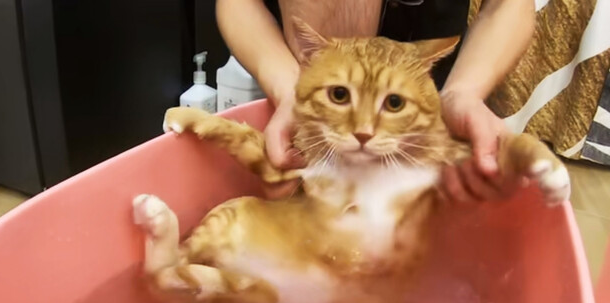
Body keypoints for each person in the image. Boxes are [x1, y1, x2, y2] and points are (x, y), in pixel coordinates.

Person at [215, 0, 536, 201]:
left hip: (419, 90)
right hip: (295, 73)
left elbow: (507, 4)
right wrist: (292, 88)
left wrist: (463, 91)